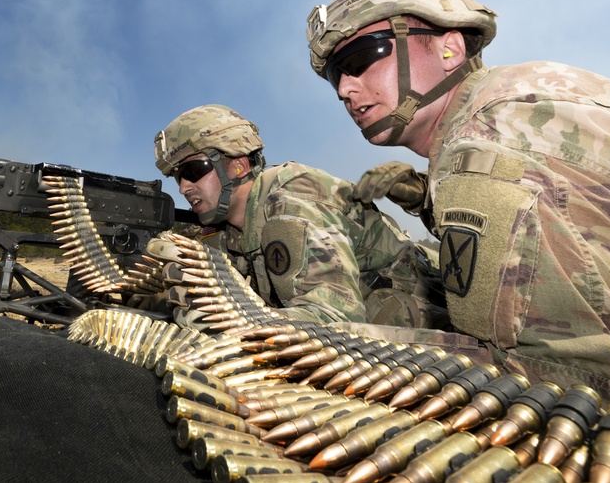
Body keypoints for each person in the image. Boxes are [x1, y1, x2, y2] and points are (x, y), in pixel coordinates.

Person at [305, 0, 610, 400]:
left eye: (362, 59)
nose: (345, 88)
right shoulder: (507, 101)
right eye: (335, 77)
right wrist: (426, 199)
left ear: (449, 48)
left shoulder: (478, 150)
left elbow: (577, 388)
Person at [153, 104, 444, 327]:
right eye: (177, 177)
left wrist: (234, 324)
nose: (183, 187)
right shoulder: (224, 231)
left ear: (238, 166)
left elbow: (334, 318)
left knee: (385, 311)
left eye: (193, 171)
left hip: (426, 311)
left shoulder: (291, 204)